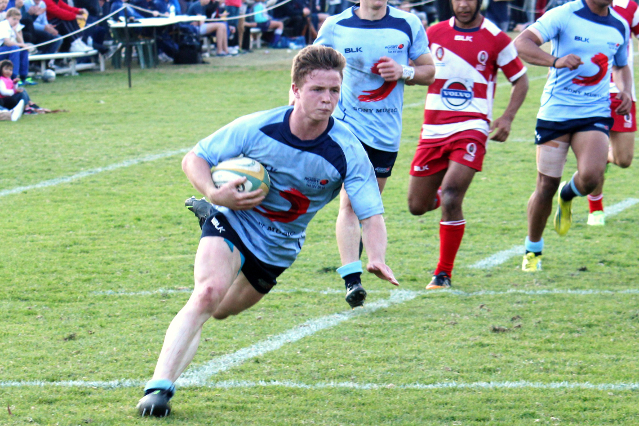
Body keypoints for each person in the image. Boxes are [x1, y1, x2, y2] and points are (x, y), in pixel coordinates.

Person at [136, 44, 398, 418]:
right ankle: (158, 389)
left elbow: (370, 214)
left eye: (334, 91)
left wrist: (376, 257)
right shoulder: (257, 126)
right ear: (294, 90)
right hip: (233, 220)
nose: (327, 100)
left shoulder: (347, 150)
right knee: (206, 295)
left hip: (277, 249)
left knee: (222, 310)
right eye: (317, 90)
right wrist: (213, 192)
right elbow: (194, 158)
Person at [314, 0, 435, 308]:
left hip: (385, 133)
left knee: (368, 204)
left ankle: (364, 268)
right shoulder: (336, 26)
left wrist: (403, 70)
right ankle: (352, 280)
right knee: (351, 201)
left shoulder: (408, 23)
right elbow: (310, 66)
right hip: (345, 126)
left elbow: (429, 71)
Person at [407, 0, 528, 289]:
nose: (462, 4)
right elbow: (416, 71)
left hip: (472, 128)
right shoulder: (433, 33)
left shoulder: (496, 38)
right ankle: (437, 195)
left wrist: (507, 118)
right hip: (433, 131)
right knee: (416, 206)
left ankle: (442, 274)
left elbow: (521, 80)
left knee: (451, 196)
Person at [514, 0, 631, 272]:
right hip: (556, 112)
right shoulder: (564, 14)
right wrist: (556, 61)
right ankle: (533, 248)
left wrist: (624, 89)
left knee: (592, 176)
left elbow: (622, 65)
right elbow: (522, 43)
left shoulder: (619, 24)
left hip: (594, 111)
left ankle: (568, 194)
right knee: (545, 186)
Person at [585, 0, 639, 226]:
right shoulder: (581, 6)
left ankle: (604, 157)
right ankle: (595, 208)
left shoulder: (631, 7)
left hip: (623, 92)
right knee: (594, 157)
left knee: (624, 160)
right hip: (589, 92)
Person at [0, 8, 33, 84]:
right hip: (2, 50)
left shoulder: (17, 26)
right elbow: (7, 42)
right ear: (8, 17)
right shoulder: (3, 25)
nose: (16, 22)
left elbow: (22, 42)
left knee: (23, 50)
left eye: (18, 20)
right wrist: (21, 45)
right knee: (15, 48)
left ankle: (23, 77)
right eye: (14, 19)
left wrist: (16, 31)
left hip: (10, 49)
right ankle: (13, 77)